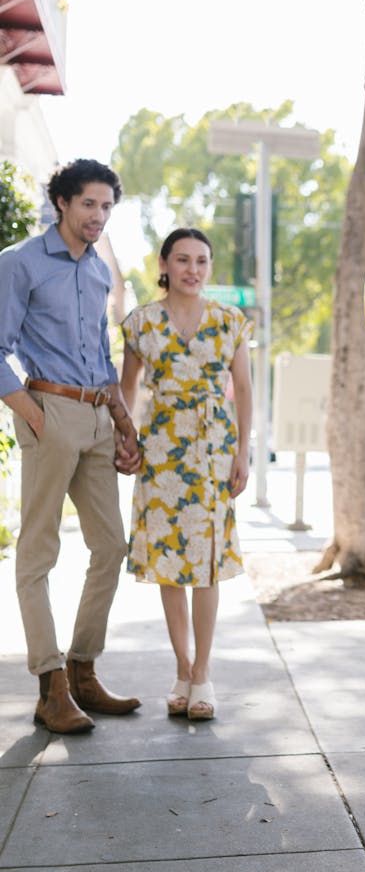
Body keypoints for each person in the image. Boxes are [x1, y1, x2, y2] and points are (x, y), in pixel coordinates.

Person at [0, 158, 142, 734]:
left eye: (107, 206)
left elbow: (103, 358)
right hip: (50, 409)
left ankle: (83, 671)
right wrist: (34, 412)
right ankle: (49, 684)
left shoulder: (99, 272)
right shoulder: (20, 263)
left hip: (98, 416)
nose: (98, 216)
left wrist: (124, 422)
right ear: (62, 201)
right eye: (89, 204)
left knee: (111, 545)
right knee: (38, 553)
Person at [120, 228, 253, 721]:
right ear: (165, 264)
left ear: (209, 267)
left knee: (208, 562)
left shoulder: (230, 321)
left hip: (215, 450)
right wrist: (126, 439)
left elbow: (243, 388)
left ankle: (203, 675)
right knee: (170, 562)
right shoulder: (141, 323)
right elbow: (126, 390)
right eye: (182, 260)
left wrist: (242, 452)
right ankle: (181, 669)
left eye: (201, 261)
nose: (192, 269)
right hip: (161, 450)